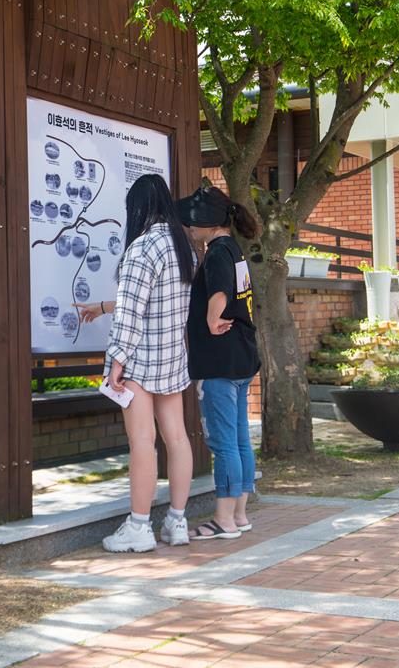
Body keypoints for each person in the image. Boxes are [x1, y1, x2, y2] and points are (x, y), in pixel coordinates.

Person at [76, 173, 195, 553]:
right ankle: (177, 522)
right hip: (173, 357)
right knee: (177, 438)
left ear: (137, 207)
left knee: (142, 442)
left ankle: (140, 527)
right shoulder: (183, 247)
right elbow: (162, 302)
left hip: (140, 361)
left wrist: (115, 364)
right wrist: (102, 307)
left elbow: (130, 313)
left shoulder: (142, 247)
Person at [175, 185, 261, 540]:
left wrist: (212, 319)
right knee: (239, 438)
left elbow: (221, 292)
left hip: (219, 363)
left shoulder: (217, 253)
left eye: (191, 223)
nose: (189, 228)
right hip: (240, 358)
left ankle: (224, 519)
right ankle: (238, 514)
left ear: (205, 222)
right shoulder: (234, 249)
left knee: (224, 441)